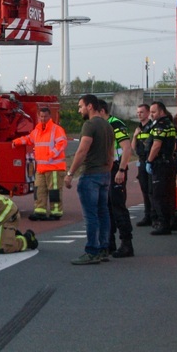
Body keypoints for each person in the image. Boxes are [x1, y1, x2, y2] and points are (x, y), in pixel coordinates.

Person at [64, 95, 114, 265]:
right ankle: (104, 248)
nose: (79, 110)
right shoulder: (108, 126)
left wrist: (70, 173)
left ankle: (92, 250)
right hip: (105, 174)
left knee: (91, 215)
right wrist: (108, 169)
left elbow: (82, 150)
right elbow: (111, 152)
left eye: (81, 106)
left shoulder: (90, 125)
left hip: (91, 174)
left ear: (90, 106)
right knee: (103, 213)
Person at [12, 106, 67, 221]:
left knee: (54, 191)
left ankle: (55, 212)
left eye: (45, 116)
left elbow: (61, 143)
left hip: (54, 167)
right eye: (41, 116)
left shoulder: (56, 129)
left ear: (49, 116)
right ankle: (39, 211)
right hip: (41, 168)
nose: (43, 119)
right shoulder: (37, 131)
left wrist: (51, 155)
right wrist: (16, 142)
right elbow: (28, 139)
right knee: (39, 190)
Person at [146, 101, 177, 236]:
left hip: (161, 164)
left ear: (161, 111)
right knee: (169, 194)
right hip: (170, 162)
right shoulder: (170, 125)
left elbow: (156, 145)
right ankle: (172, 222)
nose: (151, 115)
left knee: (159, 195)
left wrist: (149, 160)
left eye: (153, 112)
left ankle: (164, 225)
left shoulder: (160, 126)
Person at [106, 108, 135, 258]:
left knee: (118, 206)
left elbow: (126, 148)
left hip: (117, 168)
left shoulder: (115, 124)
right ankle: (109, 243)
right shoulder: (103, 124)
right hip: (107, 169)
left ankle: (126, 244)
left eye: (81, 107)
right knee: (107, 207)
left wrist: (121, 170)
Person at [131, 103, 154, 227]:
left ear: (148, 113)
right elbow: (133, 148)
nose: (139, 115)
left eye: (141, 112)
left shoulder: (152, 127)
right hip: (141, 160)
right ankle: (147, 216)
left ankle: (153, 215)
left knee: (152, 190)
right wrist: (134, 136)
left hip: (150, 160)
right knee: (144, 189)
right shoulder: (138, 128)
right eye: (138, 112)